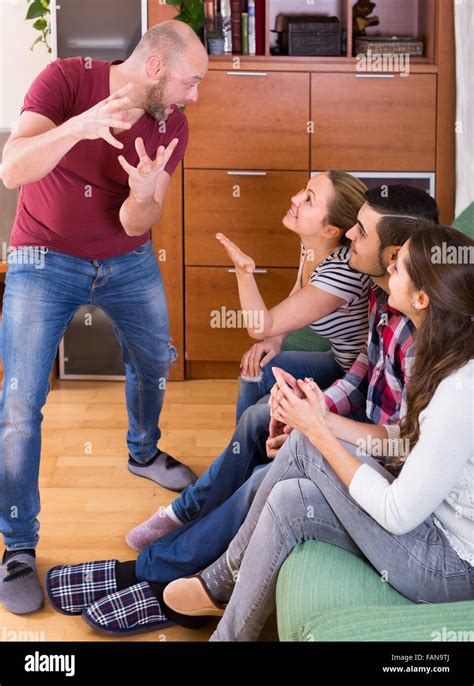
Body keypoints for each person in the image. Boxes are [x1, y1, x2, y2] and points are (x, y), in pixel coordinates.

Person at [44, 191, 440, 636]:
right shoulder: (382, 298)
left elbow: (402, 444)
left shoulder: (419, 334)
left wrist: (317, 422)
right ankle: (186, 530)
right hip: (363, 436)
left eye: (360, 231)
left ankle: (151, 576)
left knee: (262, 483)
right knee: (259, 419)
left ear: (394, 257)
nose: (350, 234)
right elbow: (364, 372)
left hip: (382, 468)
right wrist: (313, 407)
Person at [164, 225, 474, 642]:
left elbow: (397, 513)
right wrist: (317, 418)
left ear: (422, 299)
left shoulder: (457, 388)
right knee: (292, 496)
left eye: (399, 265)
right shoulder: (442, 352)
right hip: (429, 526)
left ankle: (220, 580)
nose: (389, 265)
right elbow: (405, 439)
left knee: (308, 445)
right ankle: (225, 618)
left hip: (450, 566)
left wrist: (317, 431)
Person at [0, 20, 208, 615]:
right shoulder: (65, 81)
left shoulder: (174, 127)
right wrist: (79, 128)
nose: (193, 97)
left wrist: (144, 193)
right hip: (44, 258)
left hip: (126, 261)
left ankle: (142, 451)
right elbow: (13, 168)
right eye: (190, 83)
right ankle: (18, 547)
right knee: (19, 404)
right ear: (155, 68)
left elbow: (135, 224)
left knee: (154, 358)